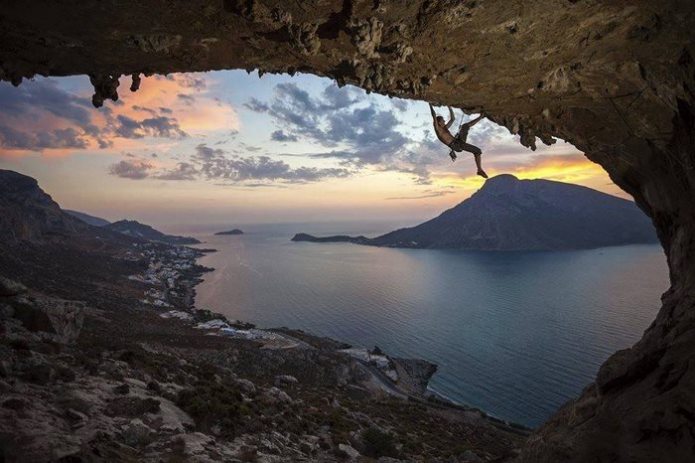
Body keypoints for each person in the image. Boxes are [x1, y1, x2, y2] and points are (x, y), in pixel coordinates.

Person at [429, 103, 488, 178]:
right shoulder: (438, 130)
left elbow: (453, 119)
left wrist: (449, 107)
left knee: (465, 126)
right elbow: (434, 115)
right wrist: (430, 104)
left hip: (458, 141)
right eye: (443, 120)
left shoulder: (445, 128)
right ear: (439, 123)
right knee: (478, 151)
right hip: (457, 146)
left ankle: (481, 116)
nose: (444, 121)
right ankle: (479, 170)